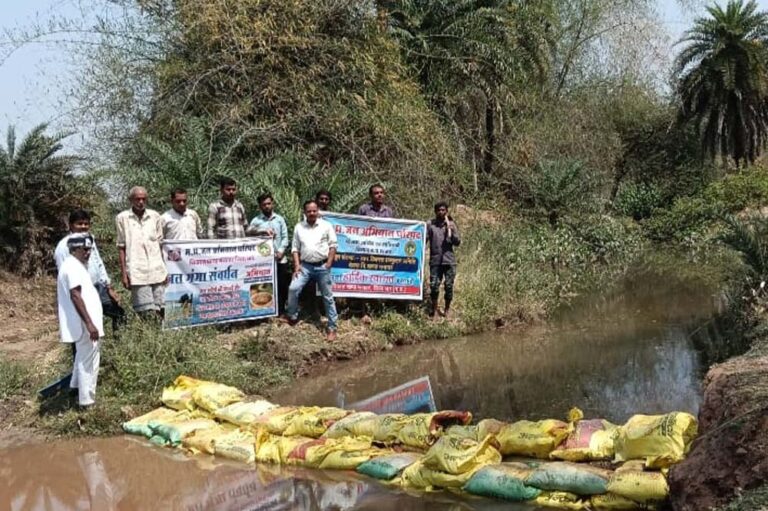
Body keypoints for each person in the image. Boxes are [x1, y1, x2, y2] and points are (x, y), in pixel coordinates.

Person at [55, 209, 125, 332]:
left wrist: (109, 287)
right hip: (81, 291)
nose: (83, 227)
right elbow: (64, 274)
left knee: (118, 313)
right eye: (79, 223)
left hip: (98, 287)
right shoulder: (64, 246)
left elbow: (98, 263)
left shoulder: (89, 241)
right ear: (71, 226)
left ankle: (117, 343)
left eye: (86, 224)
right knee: (83, 324)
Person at [57, 234, 103, 408]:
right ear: (74, 250)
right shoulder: (72, 267)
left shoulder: (75, 265)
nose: (88, 253)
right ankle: (87, 401)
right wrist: (90, 324)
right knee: (88, 360)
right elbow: (76, 296)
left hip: (82, 323)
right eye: (84, 249)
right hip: (84, 323)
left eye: (89, 249)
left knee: (82, 357)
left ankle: (74, 388)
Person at [285, 200, 339, 341]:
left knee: (327, 297)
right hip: (305, 266)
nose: (312, 213)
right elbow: (295, 248)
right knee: (293, 288)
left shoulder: (326, 226)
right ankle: (292, 316)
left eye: (314, 210)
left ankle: (332, 328)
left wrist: (328, 263)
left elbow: (333, 245)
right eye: (309, 211)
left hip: (322, 266)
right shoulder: (299, 227)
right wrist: (297, 266)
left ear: (318, 211)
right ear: (305, 212)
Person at [116, 186, 168, 318]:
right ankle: (148, 335)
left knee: (161, 306)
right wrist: (124, 274)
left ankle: (160, 335)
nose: (141, 202)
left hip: (157, 269)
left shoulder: (155, 216)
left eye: (143, 199)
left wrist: (165, 268)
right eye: (137, 199)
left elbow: (160, 244)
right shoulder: (123, 218)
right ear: (131, 200)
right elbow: (121, 247)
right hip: (137, 270)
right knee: (144, 311)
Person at [247, 193, 289, 314]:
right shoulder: (256, 220)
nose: (267, 206)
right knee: (265, 286)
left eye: (269, 203)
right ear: (260, 206)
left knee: (281, 286)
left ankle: (281, 311)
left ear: (273, 204)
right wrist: (261, 231)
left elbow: (285, 237)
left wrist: (281, 251)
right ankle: (265, 311)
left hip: (280, 259)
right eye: (264, 204)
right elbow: (248, 233)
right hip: (263, 261)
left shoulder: (279, 219)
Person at [426, 201, 461, 319]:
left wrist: (451, 231)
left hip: (449, 261)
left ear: (446, 211)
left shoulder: (451, 224)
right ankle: (435, 310)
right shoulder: (430, 225)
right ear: (435, 212)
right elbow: (423, 240)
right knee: (434, 286)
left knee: (449, 286)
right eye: (439, 210)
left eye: (443, 210)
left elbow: (457, 242)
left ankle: (447, 310)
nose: (441, 212)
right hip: (435, 261)